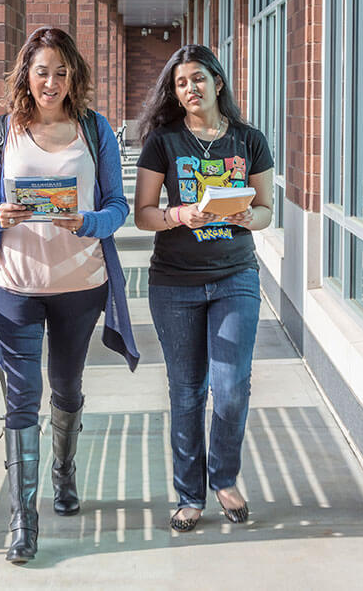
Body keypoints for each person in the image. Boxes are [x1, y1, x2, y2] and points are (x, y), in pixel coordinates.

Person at [0, 27, 139, 564]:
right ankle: (24, 518)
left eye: (61, 71)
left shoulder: (95, 130)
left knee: (66, 387)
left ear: (74, 77)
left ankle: (63, 475)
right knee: (21, 397)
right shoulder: (1, 133)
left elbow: (118, 206)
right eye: (42, 70)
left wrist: (86, 220)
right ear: (27, 75)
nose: (51, 81)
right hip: (13, 288)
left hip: (79, 287)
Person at [133, 44, 273, 532]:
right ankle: (190, 494)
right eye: (179, 83)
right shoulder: (163, 142)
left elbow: (266, 211)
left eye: (197, 79)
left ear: (218, 82)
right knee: (188, 391)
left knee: (231, 388)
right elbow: (144, 214)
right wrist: (179, 215)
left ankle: (225, 478)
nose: (189, 88)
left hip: (235, 275)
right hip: (174, 283)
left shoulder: (250, 141)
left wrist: (246, 215)